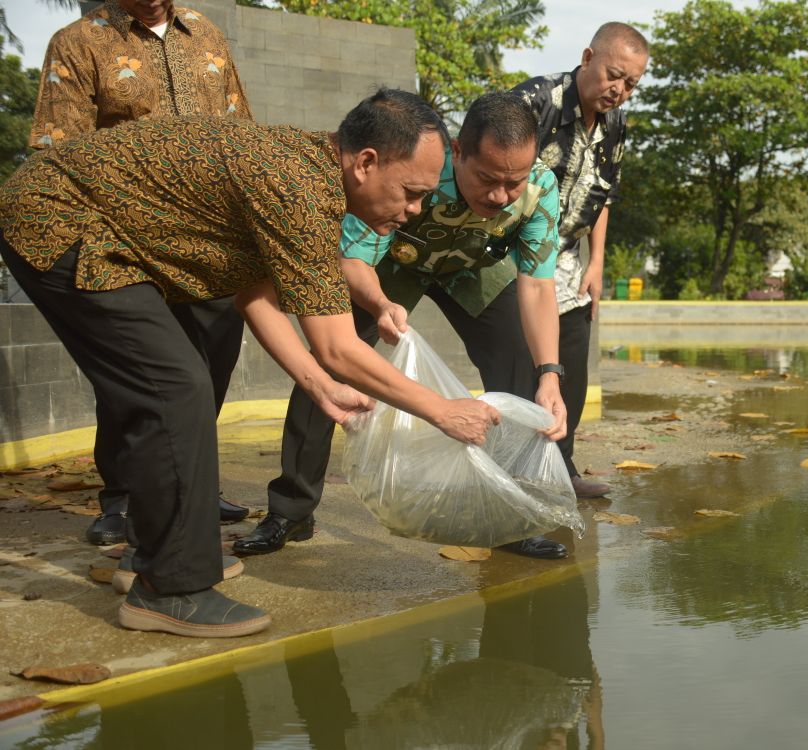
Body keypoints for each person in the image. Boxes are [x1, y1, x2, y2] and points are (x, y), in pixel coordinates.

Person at [0, 89, 500, 637]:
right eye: (412, 193)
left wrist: (318, 386)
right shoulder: (298, 187)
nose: (416, 210)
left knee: (175, 387)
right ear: (365, 163)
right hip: (58, 218)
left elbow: (254, 297)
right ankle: (170, 589)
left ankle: (153, 557)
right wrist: (441, 411)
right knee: (174, 389)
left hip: (92, 223)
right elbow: (337, 346)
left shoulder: (307, 175)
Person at [236, 92, 572, 561]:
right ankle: (292, 509)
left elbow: (536, 286)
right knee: (331, 366)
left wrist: (549, 373)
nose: (499, 196)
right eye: (486, 179)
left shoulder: (539, 188)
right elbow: (353, 260)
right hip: (390, 267)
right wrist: (378, 304)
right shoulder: (418, 168)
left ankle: (510, 516)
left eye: (512, 183)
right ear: (458, 152)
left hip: (473, 267)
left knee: (520, 360)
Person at [29, 0, 256, 544]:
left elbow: (241, 132)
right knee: (138, 373)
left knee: (211, 365)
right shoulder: (78, 41)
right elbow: (58, 156)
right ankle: (124, 496)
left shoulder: (206, 33)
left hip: (207, 240)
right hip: (127, 242)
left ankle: (189, 487)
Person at [512, 22, 649, 499]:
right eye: (614, 75)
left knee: (571, 362)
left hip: (568, 255)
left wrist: (597, 264)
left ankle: (562, 470)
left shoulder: (615, 124)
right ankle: (519, 475)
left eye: (631, 83)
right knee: (525, 365)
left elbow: (604, 194)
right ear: (588, 57)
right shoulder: (536, 102)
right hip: (511, 251)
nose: (619, 90)